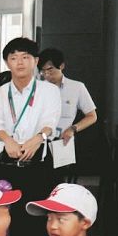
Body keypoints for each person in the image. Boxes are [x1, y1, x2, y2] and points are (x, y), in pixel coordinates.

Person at [0, 37, 60, 236]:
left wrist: (37, 139)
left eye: (25, 57)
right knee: (2, 220)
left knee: (36, 219)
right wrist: (8, 141)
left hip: (37, 166)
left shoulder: (48, 91)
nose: (20, 62)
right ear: (7, 62)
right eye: (13, 57)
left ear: (35, 61)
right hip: (4, 166)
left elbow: (51, 121)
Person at [38, 47, 98, 176]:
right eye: (43, 71)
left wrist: (73, 129)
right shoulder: (37, 88)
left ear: (62, 66)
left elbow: (92, 116)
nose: (46, 74)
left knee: (58, 183)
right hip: (38, 141)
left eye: (50, 69)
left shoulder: (76, 87)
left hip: (61, 141)